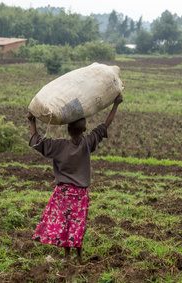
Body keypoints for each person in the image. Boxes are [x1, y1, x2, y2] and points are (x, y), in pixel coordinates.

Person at [27, 94, 123, 263]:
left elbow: (37, 142)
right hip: (80, 194)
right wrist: (116, 104)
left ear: (68, 130)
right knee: (78, 224)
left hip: (63, 193)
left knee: (64, 223)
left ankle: (66, 256)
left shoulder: (58, 146)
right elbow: (105, 125)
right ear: (85, 130)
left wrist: (32, 121)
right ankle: (79, 256)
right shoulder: (88, 143)